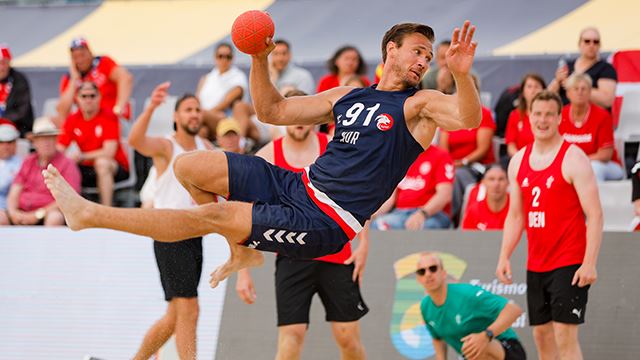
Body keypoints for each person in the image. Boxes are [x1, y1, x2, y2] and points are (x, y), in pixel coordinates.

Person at [42, 21, 482, 289]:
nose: (424, 60)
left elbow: (468, 117)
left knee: (212, 216)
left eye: (429, 54)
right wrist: (257, 58)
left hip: (326, 222)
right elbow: (271, 110)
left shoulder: (419, 105)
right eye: (417, 51)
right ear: (392, 51)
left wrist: (461, 76)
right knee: (188, 166)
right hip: (297, 185)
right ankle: (241, 251)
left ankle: (90, 215)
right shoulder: (350, 94)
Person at [236, 89, 368, 360]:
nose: (298, 121)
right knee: (291, 337)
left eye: (303, 113)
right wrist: (242, 269)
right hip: (292, 254)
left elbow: (357, 195)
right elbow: (241, 213)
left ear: (314, 115)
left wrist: (364, 243)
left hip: (337, 253)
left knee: (348, 339)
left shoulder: (333, 146)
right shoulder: (267, 156)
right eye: (292, 113)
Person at [496, 91, 603, 360]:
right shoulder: (519, 161)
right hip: (537, 263)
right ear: (529, 117)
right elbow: (516, 216)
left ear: (559, 118)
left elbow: (595, 215)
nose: (542, 120)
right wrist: (504, 255)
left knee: (565, 337)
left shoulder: (574, 158)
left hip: (569, 261)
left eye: (548, 115)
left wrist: (589, 262)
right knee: (541, 337)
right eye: (538, 114)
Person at [127, 82, 213, 360]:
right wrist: (151, 106)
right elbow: (135, 141)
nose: (194, 115)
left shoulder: (206, 146)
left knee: (175, 315)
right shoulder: (167, 146)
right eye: (188, 110)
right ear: (176, 116)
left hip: (194, 235)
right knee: (189, 308)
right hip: (168, 233)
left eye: (198, 110)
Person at [418, 251, 526, 360]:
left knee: (473, 345)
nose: (428, 274)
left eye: (433, 268)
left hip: (508, 350)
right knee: (470, 349)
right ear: (418, 279)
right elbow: (437, 338)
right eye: (422, 271)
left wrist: (486, 336)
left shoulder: (466, 295)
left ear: (443, 273)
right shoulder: (425, 307)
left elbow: (514, 310)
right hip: (470, 356)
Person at [57, 81, 130, 206]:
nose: (88, 100)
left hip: (115, 167)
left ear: (99, 97)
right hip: (85, 167)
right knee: (61, 164)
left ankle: (106, 211)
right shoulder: (73, 119)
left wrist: (82, 156)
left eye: (92, 96)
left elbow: (109, 152)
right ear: (77, 99)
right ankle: (63, 209)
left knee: (102, 163)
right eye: (84, 96)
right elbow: (60, 148)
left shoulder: (109, 117)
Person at [439, 75, 495, 225]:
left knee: (455, 176)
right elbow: (443, 148)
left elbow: (482, 149)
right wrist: (450, 163)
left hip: (474, 166)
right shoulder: (450, 117)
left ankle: (447, 219)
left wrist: (462, 162)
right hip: (452, 165)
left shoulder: (484, 114)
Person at [7, 117, 80, 226]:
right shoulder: (27, 161)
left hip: (49, 214)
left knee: (55, 218)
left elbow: (70, 198)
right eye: (42, 139)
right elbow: (15, 191)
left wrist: (38, 214)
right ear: (35, 142)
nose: (47, 142)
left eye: (50, 138)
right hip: (23, 211)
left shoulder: (67, 164)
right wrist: (13, 212)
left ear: (56, 140)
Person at [372, 145, 455, 230]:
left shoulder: (441, 155)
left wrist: (422, 214)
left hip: (432, 214)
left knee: (425, 227)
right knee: (376, 225)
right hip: (400, 213)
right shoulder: (401, 155)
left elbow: (444, 195)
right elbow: (390, 198)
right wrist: (372, 214)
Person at [560, 73, 624, 181]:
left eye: (584, 89)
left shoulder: (602, 115)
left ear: (590, 92)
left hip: (606, 165)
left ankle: (593, 198)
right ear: (568, 93)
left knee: (593, 168)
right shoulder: (560, 115)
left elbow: (605, 155)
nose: (580, 92)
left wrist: (579, 162)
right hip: (570, 164)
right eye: (575, 89)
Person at [57, 37, 133, 122]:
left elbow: (125, 78)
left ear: (90, 52)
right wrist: (74, 79)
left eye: (82, 55)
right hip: (88, 122)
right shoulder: (69, 78)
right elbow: (62, 113)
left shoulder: (103, 63)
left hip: (112, 119)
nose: (80, 60)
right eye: (75, 57)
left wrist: (119, 108)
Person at [548, 27, 617, 109]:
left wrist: (573, 86)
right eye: (587, 41)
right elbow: (548, 96)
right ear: (579, 44)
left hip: (592, 118)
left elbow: (607, 100)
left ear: (599, 45)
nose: (591, 45)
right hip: (565, 116)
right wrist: (557, 81)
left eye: (595, 42)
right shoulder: (568, 66)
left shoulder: (606, 69)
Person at [196, 43, 248, 140]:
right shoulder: (207, 78)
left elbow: (226, 102)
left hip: (224, 119)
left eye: (228, 57)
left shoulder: (238, 76)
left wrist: (204, 114)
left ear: (232, 58)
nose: (224, 60)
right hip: (204, 118)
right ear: (215, 57)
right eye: (220, 56)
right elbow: (197, 99)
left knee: (194, 117)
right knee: (202, 131)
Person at [504, 74, 546, 160]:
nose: (533, 90)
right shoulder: (515, 115)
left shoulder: (550, 115)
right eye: (529, 87)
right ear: (523, 92)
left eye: (537, 86)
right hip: (520, 159)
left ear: (544, 91)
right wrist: (522, 159)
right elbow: (511, 145)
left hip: (545, 159)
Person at [461, 164, 510, 231]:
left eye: (501, 179)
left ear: (508, 182)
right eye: (491, 179)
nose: (496, 184)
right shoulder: (473, 210)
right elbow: (465, 238)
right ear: (483, 182)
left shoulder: (518, 209)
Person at [0, 44, 34, 137]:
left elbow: (22, 111)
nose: (1, 68)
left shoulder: (19, 80)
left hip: (18, 127)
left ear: (9, 62)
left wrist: (3, 120)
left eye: (4, 63)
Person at [0, 120, 22, 225]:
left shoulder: (21, 164)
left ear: (15, 144)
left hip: (7, 210)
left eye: (9, 142)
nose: (6, 146)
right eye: (1, 142)